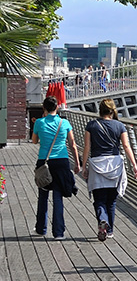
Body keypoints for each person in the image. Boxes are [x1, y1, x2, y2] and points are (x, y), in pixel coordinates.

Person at [80, 99, 137, 241]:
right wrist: (134, 165)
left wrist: (84, 166)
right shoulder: (120, 126)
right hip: (115, 166)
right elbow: (126, 146)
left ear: (99, 110)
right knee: (111, 201)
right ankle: (110, 230)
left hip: (96, 165)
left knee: (99, 199)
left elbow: (87, 147)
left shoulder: (92, 125)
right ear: (113, 111)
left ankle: (102, 219)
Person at [31, 96, 80, 239]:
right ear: (57, 107)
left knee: (43, 196)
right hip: (62, 162)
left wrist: (39, 126)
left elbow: (34, 141)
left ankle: (41, 228)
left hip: (44, 163)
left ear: (44, 108)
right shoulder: (64, 123)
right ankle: (58, 233)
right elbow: (73, 144)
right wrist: (77, 163)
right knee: (58, 196)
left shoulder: (39, 123)